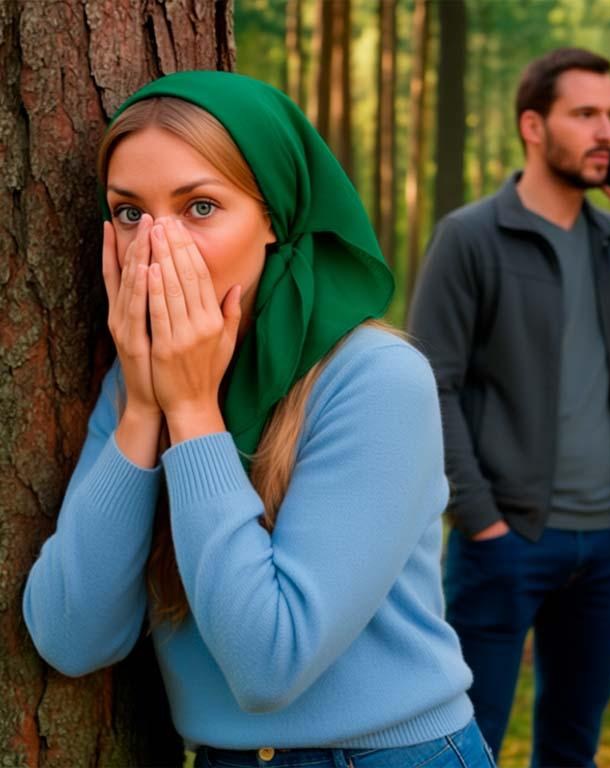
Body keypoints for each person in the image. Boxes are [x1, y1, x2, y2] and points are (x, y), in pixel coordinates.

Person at [22, 71, 495, 768]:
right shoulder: (138, 383)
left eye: (201, 207)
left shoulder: (375, 379)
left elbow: (271, 663)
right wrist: (146, 406)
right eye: (129, 213)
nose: (157, 245)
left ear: (274, 215)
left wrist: (189, 408)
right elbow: (72, 636)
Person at [408, 48, 610, 767]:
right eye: (586, 114)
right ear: (534, 125)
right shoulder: (469, 238)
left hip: (609, 545)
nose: (609, 133)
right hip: (507, 542)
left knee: (571, 748)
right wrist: (481, 520)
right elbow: (429, 384)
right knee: (464, 746)